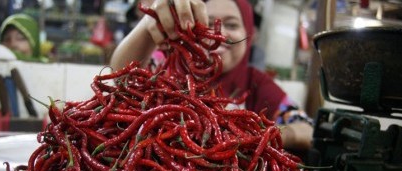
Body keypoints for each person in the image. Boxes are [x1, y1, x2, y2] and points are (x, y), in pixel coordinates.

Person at [110, 0, 314, 151]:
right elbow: (122, 76)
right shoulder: (167, 67)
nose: (219, 34)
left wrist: (261, 135)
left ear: (249, 35)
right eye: (206, 23)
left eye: (232, 25)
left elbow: (308, 130)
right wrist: (149, 24)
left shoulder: (256, 83)